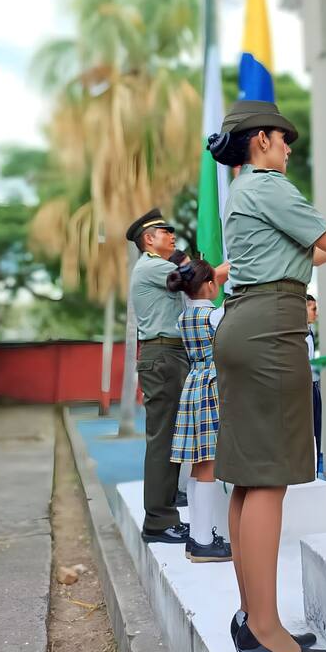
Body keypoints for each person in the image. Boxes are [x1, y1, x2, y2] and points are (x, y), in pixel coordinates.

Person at [208, 99, 326, 652]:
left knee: (248, 478)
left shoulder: (243, 190)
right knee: (268, 479)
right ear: (261, 140)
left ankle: (251, 620)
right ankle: (267, 630)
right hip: (270, 329)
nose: (288, 149)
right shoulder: (268, 185)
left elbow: (311, 254)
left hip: (246, 323)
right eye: (283, 139)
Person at [126, 209, 190, 544]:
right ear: (149, 239)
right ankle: (158, 521)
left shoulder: (157, 265)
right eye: (166, 231)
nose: (172, 235)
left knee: (170, 437)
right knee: (163, 440)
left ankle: (165, 504)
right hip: (163, 356)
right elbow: (196, 277)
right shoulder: (152, 266)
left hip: (170, 354)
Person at [167, 258, 232, 564]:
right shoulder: (215, 315)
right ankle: (204, 542)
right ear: (208, 285)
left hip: (194, 383)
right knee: (209, 463)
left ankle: (197, 536)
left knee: (197, 463)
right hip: (212, 386)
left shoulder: (184, 317)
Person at [306, 294, 323, 475]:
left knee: (316, 433)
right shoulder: (299, 336)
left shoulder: (309, 332)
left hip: (313, 388)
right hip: (306, 390)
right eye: (313, 309)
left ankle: (314, 473)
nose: (316, 313)